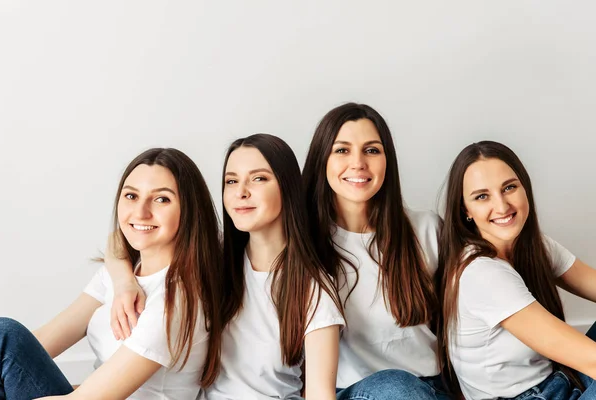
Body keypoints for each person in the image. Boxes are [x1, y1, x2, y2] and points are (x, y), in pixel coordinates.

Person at [107, 135, 345, 399]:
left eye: (258, 179)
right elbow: (120, 238)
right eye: (231, 181)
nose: (241, 192)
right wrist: (123, 282)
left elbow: (320, 394)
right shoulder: (216, 260)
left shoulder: (312, 289)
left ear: (287, 187)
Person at [0, 148, 224, 400]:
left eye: (161, 199)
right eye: (131, 196)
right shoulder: (123, 272)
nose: (140, 212)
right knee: (5, 339)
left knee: (5, 334)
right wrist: (124, 280)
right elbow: (37, 345)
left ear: (190, 210)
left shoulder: (174, 303)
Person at [301, 103, 450, 400]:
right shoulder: (306, 244)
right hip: (354, 392)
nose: (358, 163)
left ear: (387, 160)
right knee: (396, 387)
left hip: (432, 388)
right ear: (322, 160)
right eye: (342, 150)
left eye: (371, 150)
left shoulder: (427, 229)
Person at [437, 140, 596, 400]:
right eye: (482, 196)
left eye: (509, 187)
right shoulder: (482, 274)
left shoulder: (531, 245)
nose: (501, 207)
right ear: (465, 210)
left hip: (558, 385)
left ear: (525, 187)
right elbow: (592, 361)